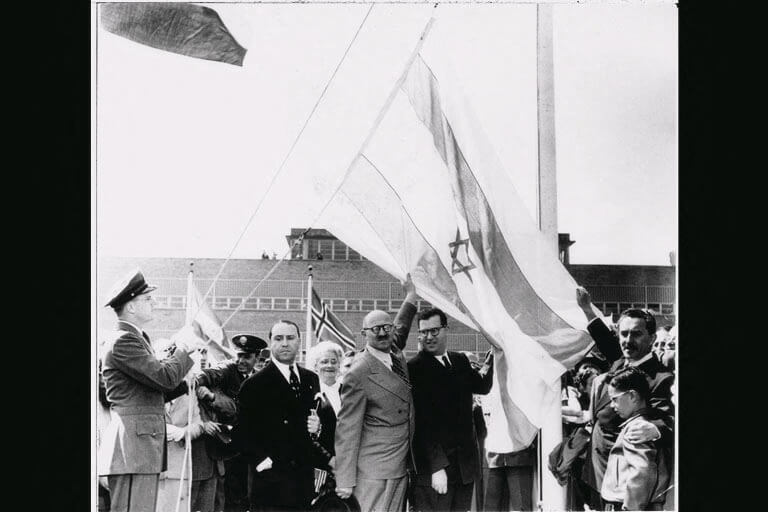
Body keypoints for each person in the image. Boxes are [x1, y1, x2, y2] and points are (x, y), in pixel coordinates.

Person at [98, 268, 206, 512]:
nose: (154, 303)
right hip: (134, 448)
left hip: (138, 447)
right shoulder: (124, 341)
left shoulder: (135, 339)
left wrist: (188, 382)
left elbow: (154, 390)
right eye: (147, 299)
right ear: (131, 307)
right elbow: (164, 378)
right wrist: (184, 347)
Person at [575, 288, 674, 504]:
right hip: (596, 467)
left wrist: (655, 428)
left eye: (636, 334)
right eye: (624, 333)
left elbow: (667, 419)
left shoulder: (660, 377)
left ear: (652, 338)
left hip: (623, 473)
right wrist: (586, 309)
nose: (628, 340)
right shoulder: (621, 361)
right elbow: (604, 338)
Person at [334, 276, 418, 511]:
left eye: (386, 328)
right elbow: (347, 429)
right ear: (364, 333)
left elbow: (401, 326)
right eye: (375, 330)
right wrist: (345, 479)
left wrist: (411, 295)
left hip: (400, 464)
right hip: (373, 472)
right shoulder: (358, 372)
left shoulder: (394, 351)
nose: (382, 333)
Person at [233, 320, 333, 511]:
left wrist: (318, 426)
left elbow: (314, 421)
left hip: (302, 482)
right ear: (271, 344)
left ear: (299, 341)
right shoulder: (255, 384)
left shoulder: (310, 379)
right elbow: (240, 433)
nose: (285, 343)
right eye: (278, 338)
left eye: (290, 338)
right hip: (270, 485)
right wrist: (263, 462)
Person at [406, 308, 494, 512]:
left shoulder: (460, 361)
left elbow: (482, 386)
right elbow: (421, 424)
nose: (428, 337)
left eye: (434, 331)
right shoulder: (415, 368)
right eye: (423, 332)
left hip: (465, 467)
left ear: (446, 330)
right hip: (436, 470)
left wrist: (493, 357)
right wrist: (436, 467)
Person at [196, 334, 269, 512]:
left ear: (257, 358)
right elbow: (206, 375)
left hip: (249, 446)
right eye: (239, 355)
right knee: (226, 496)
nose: (241, 360)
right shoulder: (228, 369)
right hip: (226, 445)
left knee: (247, 495)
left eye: (247, 356)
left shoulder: (259, 379)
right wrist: (204, 389)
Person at [156, 341, 224, 512]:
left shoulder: (188, 392)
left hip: (180, 462)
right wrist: (163, 429)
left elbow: (198, 423)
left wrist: (183, 432)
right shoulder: (153, 391)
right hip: (155, 462)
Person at [600, 367, 672, 511]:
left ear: (632, 396)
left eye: (615, 399)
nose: (612, 406)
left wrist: (630, 508)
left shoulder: (637, 428)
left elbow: (641, 473)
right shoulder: (645, 423)